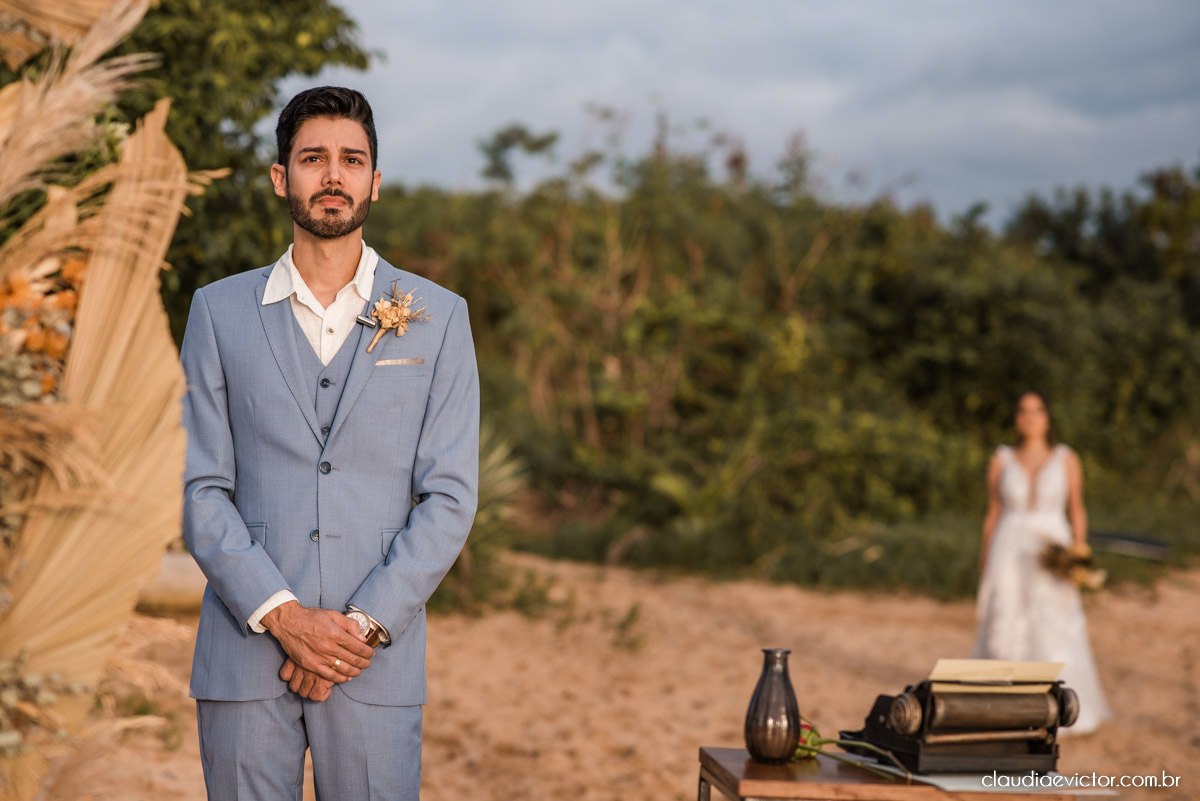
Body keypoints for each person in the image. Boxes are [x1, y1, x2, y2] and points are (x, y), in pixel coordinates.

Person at [179, 86, 479, 800]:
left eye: (352, 159)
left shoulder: (439, 316)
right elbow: (196, 487)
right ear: (282, 177)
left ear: (375, 180)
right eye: (314, 158)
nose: (333, 175)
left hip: (373, 663)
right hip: (244, 656)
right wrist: (284, 618)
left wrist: (356, 631)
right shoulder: (217, 311)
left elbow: (449, 495)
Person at [971, 391, 1110, 734]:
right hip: (1009, 545)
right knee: (1006, 616)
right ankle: (1004, 706)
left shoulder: (1065, 458)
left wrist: (1080, 552)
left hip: (1052, 544)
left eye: (1037, 410)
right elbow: (993, 511)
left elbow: (1076, 507)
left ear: (1047, 417)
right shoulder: (1001, 459)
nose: (1030, 417)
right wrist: (985, 557)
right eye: (1023, 411)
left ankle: (1055, 705)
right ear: (1016, 418)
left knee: (1052, 617)